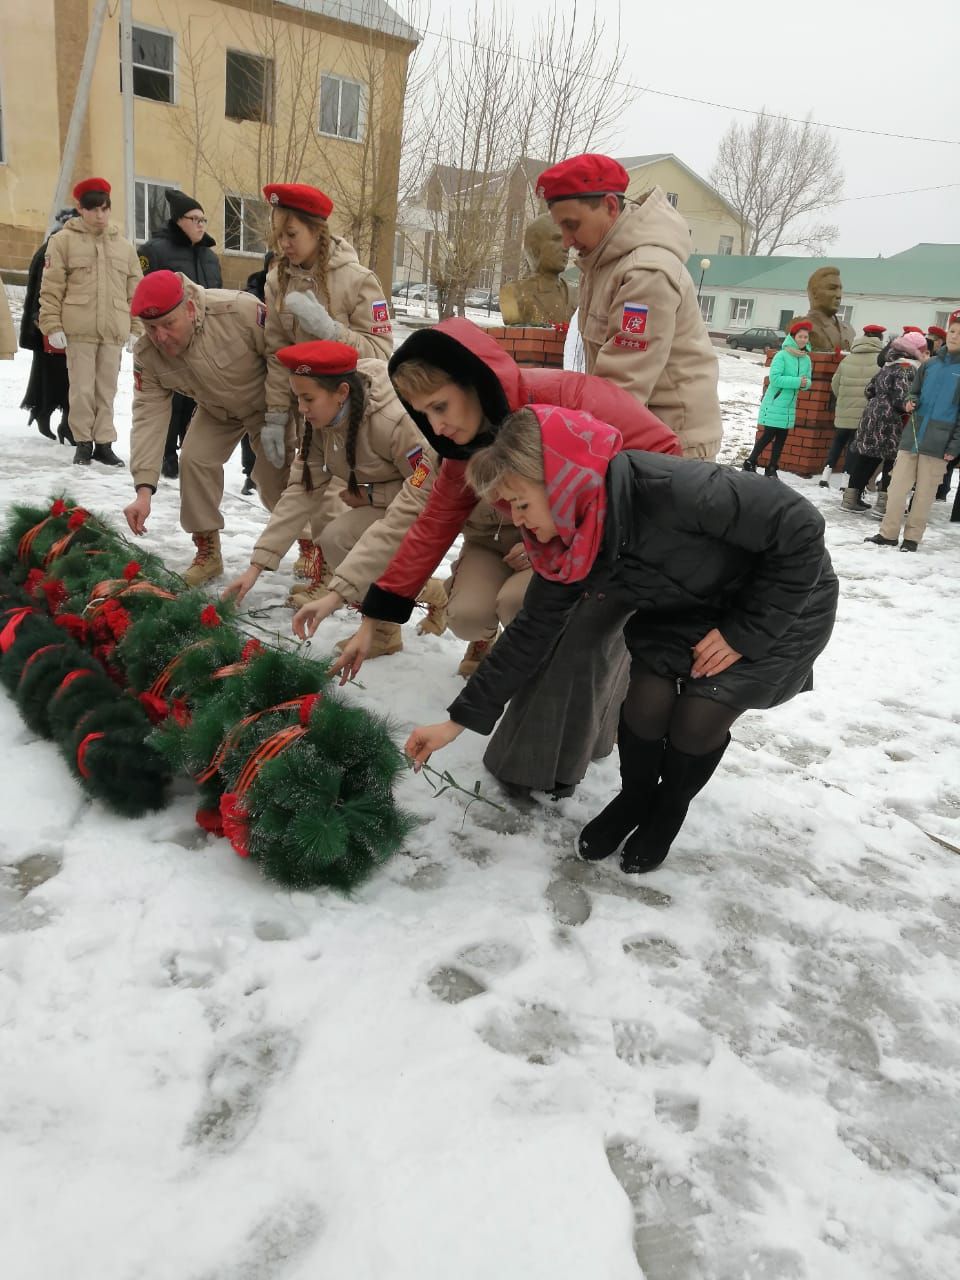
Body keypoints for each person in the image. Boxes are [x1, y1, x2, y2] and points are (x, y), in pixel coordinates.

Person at [404, 405, 838, 875]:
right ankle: (634, 799)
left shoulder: (670, 490)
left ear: (562, 479)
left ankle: (668, 811)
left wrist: (745, 632)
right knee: (646, 704)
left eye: (523, 504)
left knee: (698, 716)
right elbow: (529, 634)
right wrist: (457, 722)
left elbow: (800, 528)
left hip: (780, 597)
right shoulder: (567, 544)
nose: (519, 521)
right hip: (685, 603)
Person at [331, 316, 681, 797]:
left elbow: (661, 454)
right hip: (552, 553)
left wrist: (575, 526)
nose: (436, 425)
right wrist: (375, 619)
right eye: (422, 414)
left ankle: (569, 751)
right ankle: (540, 754)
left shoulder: (568, 396)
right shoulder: (461, 446)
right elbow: (432, 526)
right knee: (535, 629)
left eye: (441, 406)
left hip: (616, 543)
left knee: (573, 639)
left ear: (474, 381)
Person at [222, 339, 445, 657]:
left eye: (308, 398)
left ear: (342, 392)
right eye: (297, 398)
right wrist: (256, 566)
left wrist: (372, 493)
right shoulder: (323, 419)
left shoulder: (395, 422)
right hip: (380, 503)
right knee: (335, 539)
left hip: (421, 511)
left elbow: (430, 492)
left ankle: (394, 612)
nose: (301, 408)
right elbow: (302, 490)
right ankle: (401, 616)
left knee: (362, 553)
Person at [536, 153, 722, 459]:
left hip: (672, 446)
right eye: (561, 229)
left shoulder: (646, 274)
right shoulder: (602, 262)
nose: (567, 241)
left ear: (610, 206)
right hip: (638, 434)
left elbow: (622, 389)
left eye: (572, 225)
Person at [123, 270, 295, 585]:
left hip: (268, 405)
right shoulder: (147, 354)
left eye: (168, 325)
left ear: (189, 309)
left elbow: (280, 355)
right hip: (217, 409)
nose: (160, 336)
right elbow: (148, 415)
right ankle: (208, 552)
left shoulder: (237, 310)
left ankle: (312, 546)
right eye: (151, 328)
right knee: (194, 459)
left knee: (276, 476)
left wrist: (279, 414)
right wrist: (143, 489)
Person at [262, 182, 393, 586]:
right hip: (303, 406)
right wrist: (275, 413)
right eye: (278, 235)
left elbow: (382, 351)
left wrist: (330, 330)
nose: (284, 244)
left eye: (292, 234)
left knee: (334, 494)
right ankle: (315, 556)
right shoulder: (275, 282)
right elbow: (275, 352)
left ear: (317, 231)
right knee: (282, 485)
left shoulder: (357, 280)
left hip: (349, 407)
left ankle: (331, 575)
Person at [38, 177, 141, 467]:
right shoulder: (62, 242)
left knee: (106, 389)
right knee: (82, 389)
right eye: (94, 209)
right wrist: (52, 325)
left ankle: (104, 443)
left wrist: (136, 328)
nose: (100, 216)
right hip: (79, 328)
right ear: (80, 209)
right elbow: (51, 287)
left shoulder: (124, 246)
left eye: (105, 209)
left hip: (112, 328)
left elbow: (136, 291)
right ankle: (83, 441)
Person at [138, 189, 222, 480]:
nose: (201, 225)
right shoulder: (155, 251)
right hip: (169, 339)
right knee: (171, 398)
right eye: (194, 219)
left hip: (203, 339)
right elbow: (144, 296)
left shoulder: (210, 257)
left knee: (197, 399)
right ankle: (166, 454)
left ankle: (189, 449)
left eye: (203, 219)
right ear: (178, 220)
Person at [866, 317, 960, 552]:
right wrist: (910, 402)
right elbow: (913, 393)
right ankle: (888, 534)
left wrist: (954, 446)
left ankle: (912, 539)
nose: (954, 335)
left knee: (924, 494)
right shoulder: (930, 365)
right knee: (896, 486)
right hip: (914, 434)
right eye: (953, 331)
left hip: (940, 441)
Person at [842, 332, 928, 514]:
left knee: (866, 458)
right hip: (892, 420)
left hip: (872, 415)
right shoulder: (907, 368)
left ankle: (851, 498)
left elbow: (869, 389)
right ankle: (883, 505)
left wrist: (878, 402)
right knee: (892, 461)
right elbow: (902, 398)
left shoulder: (889, 364)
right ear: (916, 351)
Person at [18, 207, 76, 444]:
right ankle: (45, 414)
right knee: (53, 374)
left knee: (69, 375)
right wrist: (42, 320)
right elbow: (42, 289)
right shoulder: (52, 249)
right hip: (49, 324)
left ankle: (64, 422)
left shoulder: (67, 249)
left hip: (66, 323)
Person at [742, 320, 812, 477]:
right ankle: (750, 461)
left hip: (789, 405)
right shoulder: (782, 355)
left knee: (782, 438)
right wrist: (797, 382)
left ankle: (772, 467)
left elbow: (808, 380)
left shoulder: (806, 359)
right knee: (768, 435)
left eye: (806, 337)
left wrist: (804, 384)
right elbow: (775, 379)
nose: (803, 340)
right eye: (800, 336)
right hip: (775, 402)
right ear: (793, 337)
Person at [821, 324, 886, 487]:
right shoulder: (880, 361)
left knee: (837, 442)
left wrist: (843, 398)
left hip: (844, 409)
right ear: (879, 338)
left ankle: (825, 477)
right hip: (864, 413)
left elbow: (835, 384)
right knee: (853, 448)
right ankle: (845, 482)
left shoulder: (848, 358)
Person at [498, 214, 576, 326]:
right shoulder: (512, 293)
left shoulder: (576, 296)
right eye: (557, 239)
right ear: (534, 247)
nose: (566, 247)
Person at [795, 267, 854, 352]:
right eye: (832, 288)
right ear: (814, 292)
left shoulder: (848, 329)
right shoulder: (804, 328)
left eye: (840, 289)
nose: (839, 295)